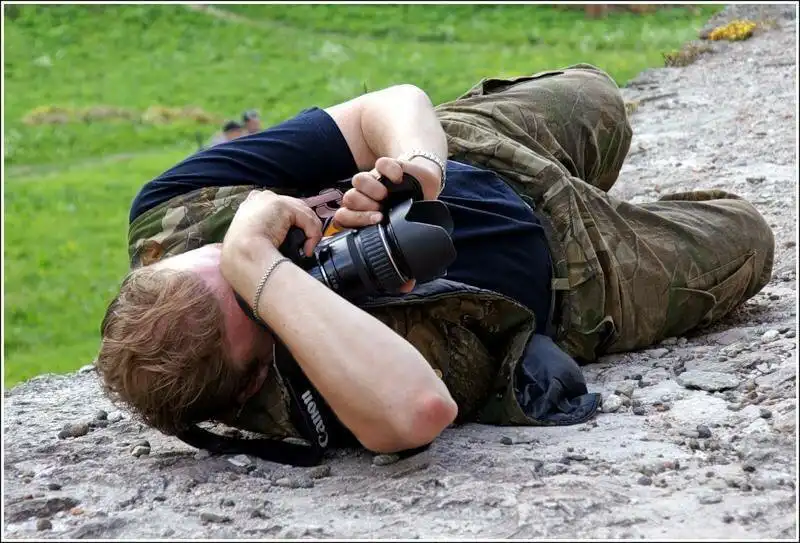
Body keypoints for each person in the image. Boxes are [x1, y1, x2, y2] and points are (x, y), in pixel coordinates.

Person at [98, 64, 774, 456]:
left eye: (221, 254)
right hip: (579, 274)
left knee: (599, 97)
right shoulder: (304, 396)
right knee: (748, 233)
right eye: (252, 292)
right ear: (250, 384)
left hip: (478, 155)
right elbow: (417, 409)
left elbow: (388, 106)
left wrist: (417, 165)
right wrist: (253, 263)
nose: (271, 251)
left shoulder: (171, 216)